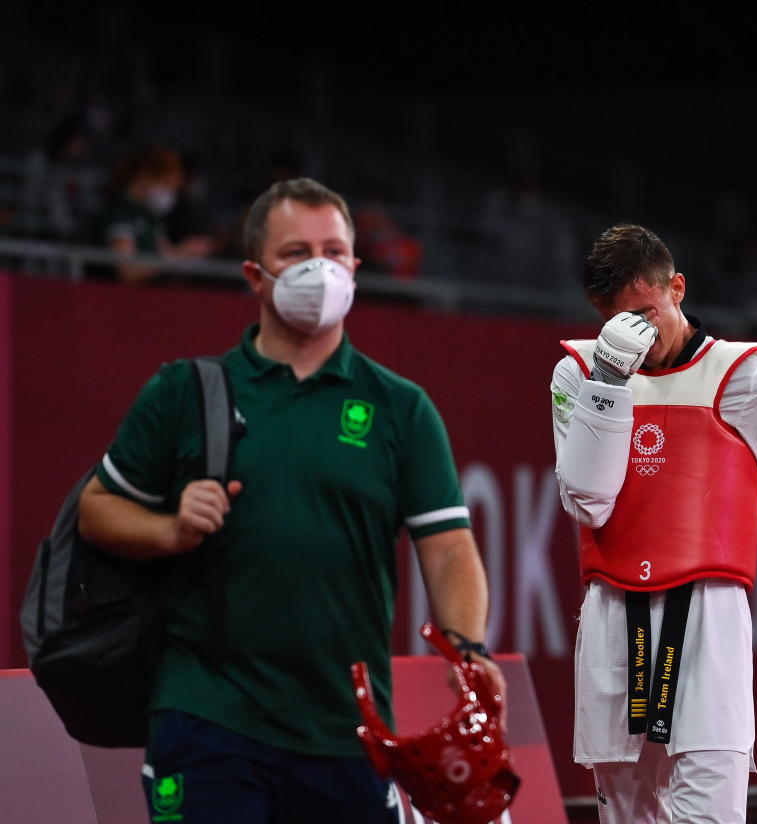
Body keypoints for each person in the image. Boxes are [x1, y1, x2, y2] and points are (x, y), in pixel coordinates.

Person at [77, 177, 504, 824]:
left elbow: (447, 548)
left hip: (346, 729)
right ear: (254, 274)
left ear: (356, 268)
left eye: (334, 251)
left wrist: (466, 648)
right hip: (207, 715)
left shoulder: (400, 408)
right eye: (295, 253)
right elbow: (96, 508)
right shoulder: (186, 393)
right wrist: (168, 528)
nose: (320, 268)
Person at [550, 223, 757, 824]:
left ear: (677, 288)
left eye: (644, 314)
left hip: (711, 618)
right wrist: (609, 382)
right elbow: (588, 503)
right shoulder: (578, 374)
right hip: (612, 619)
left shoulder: (751, 382)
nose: (631, 335)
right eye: (614, 320)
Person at [92, 146, 214, 283]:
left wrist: (191, 250)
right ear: (145, 176)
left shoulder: (151, 216)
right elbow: (127, 271)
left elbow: (166, 256)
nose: (169, 194)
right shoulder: (120, 213)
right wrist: (181, 253)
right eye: (166, 184)